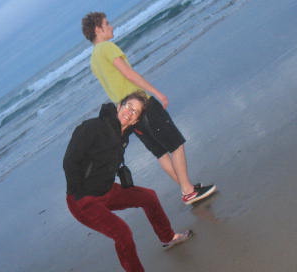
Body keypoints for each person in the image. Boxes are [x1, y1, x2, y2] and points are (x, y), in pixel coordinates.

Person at [63, 91, 193, 272]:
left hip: (107, 190)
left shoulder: (123, 133)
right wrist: (79, 191)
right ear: (119, 106)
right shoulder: (92, 127)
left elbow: (150, 131)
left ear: (136, 120)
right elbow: (70, 161)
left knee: (148, 197)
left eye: (135, 112)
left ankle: (168, 237)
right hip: (82, 200)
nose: (129, 112)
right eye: (128, 106)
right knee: (122, 233)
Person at [81, 11, 216, 205]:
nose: (111, 26)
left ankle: (187, 189)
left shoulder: (94, 60)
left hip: (127, 112)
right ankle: (188, 191)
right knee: (175, 144)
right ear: (98, 29)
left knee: (160, 152)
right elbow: (128, 74)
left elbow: (110, 87)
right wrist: (156, 92)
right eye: (107, 23)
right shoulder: (107, 47)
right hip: (142, 104)